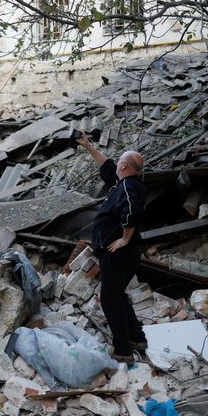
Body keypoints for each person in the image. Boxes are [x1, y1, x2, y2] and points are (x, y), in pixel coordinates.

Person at [77, 133, 148, 363]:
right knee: (117, 295)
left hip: (119, 252)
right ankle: (137, 338)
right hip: (119, 253)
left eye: (119, 161)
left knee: (109, 299)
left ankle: (123, 351)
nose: (116, 163)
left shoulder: (129, 188)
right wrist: (89, 147)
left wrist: (125, 238)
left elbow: (131, 211)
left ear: (125, 165)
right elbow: (107, 166)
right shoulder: (124, 183)